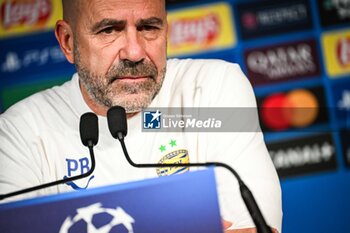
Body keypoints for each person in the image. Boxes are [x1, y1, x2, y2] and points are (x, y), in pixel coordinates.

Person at [0, 0, 282, 232]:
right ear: (68, 41)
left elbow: (258, 229)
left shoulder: (214, 87)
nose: (134, 53)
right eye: (109, 30)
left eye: (148, 27)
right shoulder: (17, 134)